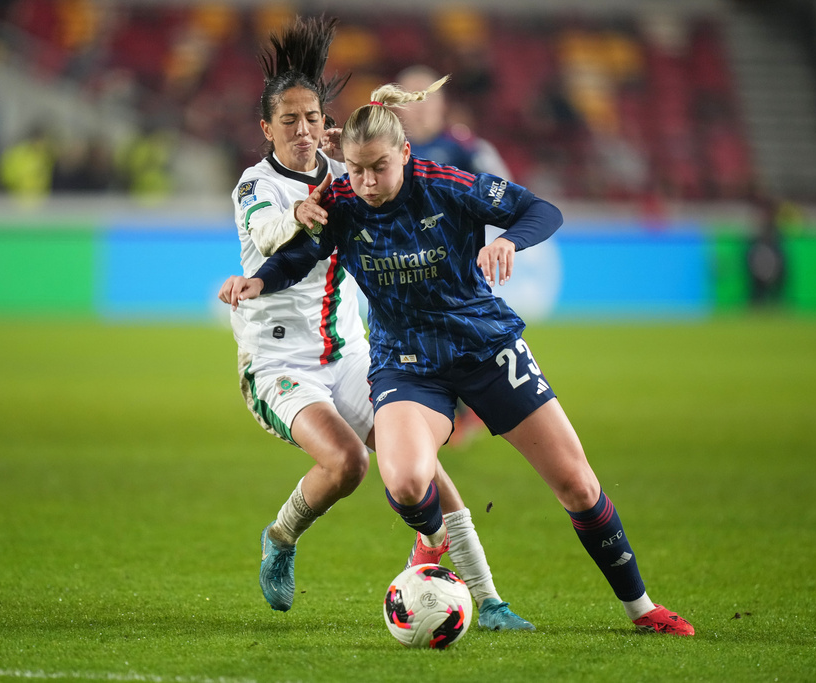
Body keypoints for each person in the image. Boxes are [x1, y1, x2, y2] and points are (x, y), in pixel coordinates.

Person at [220, 76, 695, 636]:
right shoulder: (343, 203)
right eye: (355, 169)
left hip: (485, 346)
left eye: (379, 167)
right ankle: (435, 548)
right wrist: (259, 280)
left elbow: (540, 210)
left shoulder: (448, 185)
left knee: (578, 486)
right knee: (403, 482)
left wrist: (507, 241)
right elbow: (298, 256)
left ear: (405, 152)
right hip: (406, 363)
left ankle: (643, 610)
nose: (367, 182)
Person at [222, 16, 533, 631]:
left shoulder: (348, 175)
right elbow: (264, 232)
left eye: (312, 118)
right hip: (278, 363)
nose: (304, 130)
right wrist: (300, 218)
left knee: (426, 470)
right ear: (266, 128)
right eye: (289, 120)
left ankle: (489, 598)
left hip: (349, 352)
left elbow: (398, 176)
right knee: (347, 464)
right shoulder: (254, 186)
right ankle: (281, 538)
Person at [395, 64, 511, 446]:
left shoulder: (465, 148)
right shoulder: (386, 152)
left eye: (429, 96)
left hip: (454, 269)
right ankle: (449, 409)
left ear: (443, 104)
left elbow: (503, 190)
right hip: (402, 267)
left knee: (458, 334)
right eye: (413, 98)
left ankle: (468, 407)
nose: (422, 106)